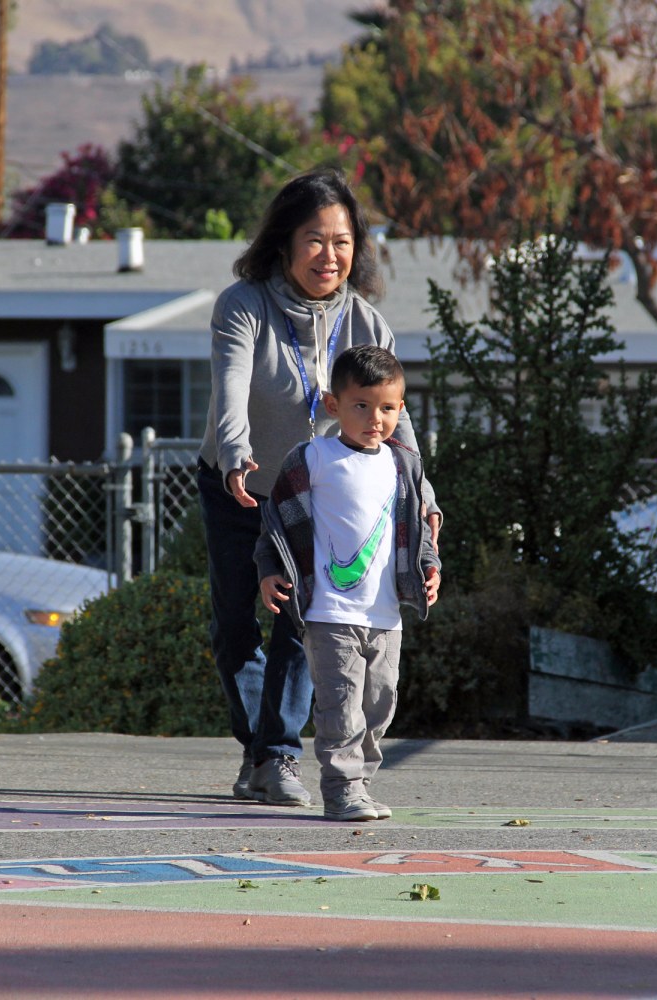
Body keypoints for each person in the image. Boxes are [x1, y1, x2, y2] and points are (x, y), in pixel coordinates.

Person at [198, 168, 440, 807]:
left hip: (321, 497)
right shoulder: (243, 303)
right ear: (283, 242)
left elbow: (397, 419)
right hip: (241, 484)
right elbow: (231, 389)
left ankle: (277, 756)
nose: (329, 256)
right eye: (314, 240)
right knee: (234, 625)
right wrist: (235, 455)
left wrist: (426, 496)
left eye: (342, 241)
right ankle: (260, 748)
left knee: (303, 619)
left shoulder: (367, 321)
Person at [255, 345, 440, 820]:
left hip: (385, 615)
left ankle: (360, 783)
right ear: (334, 406)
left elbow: (416, 527)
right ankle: (340, 789)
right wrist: (269, 570)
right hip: (329, 613)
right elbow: (276, 521)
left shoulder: (403, 465)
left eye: (387, 408)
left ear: (400, 410)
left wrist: (429, 567)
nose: (375, 418)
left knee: (379, 707)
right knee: (341, 707)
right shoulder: (312, 458)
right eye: (362, 405)